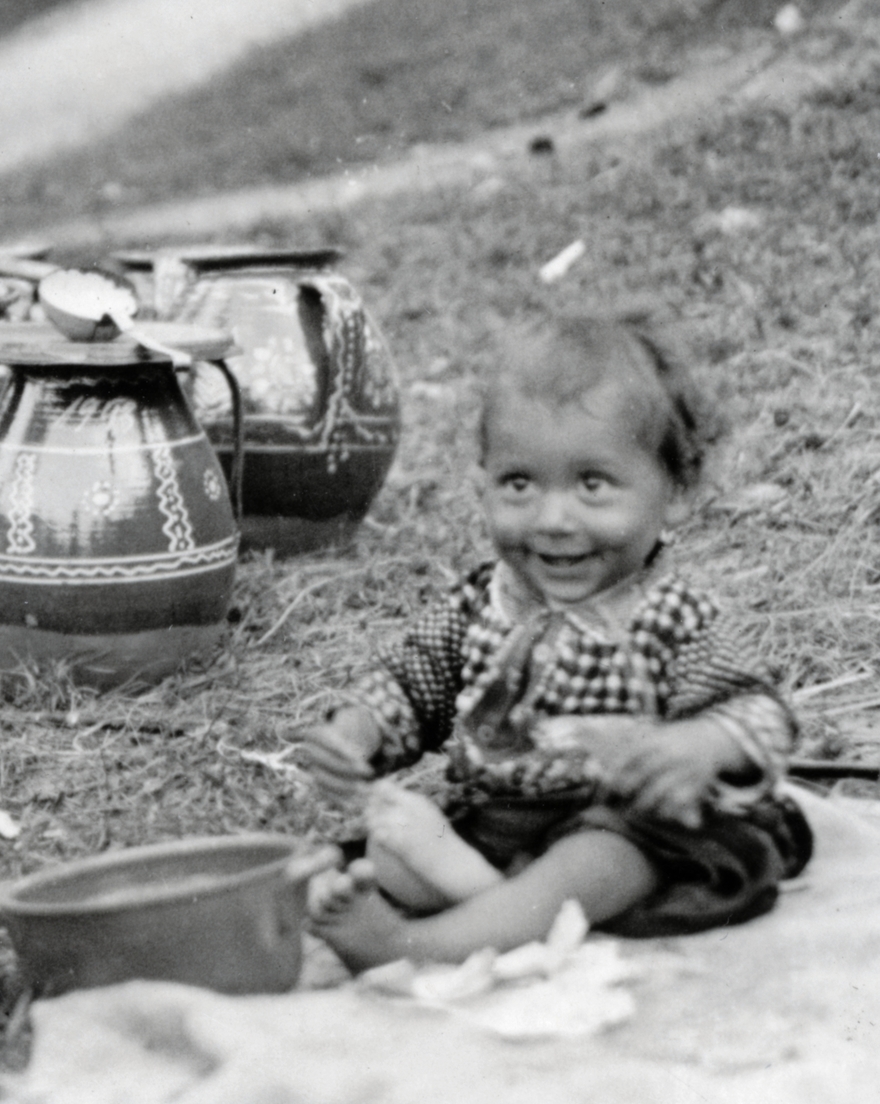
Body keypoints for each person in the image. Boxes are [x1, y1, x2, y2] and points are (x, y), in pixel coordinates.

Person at [299, 313, 812, 969]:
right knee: (391, 847)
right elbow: (410, 683)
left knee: (601, 856)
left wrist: (697, 745)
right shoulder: (481, 603)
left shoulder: (670, 615)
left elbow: (760, 711)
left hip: (633, 825)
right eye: (520, 484)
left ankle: (416, 944)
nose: (553, 520)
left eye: (592, 485)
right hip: (504, 820)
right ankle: (507, 910)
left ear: (676, 494)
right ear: (482, 484)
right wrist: (358, 733)